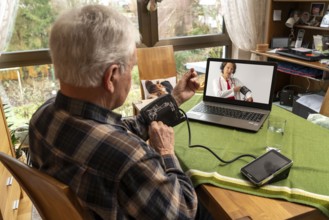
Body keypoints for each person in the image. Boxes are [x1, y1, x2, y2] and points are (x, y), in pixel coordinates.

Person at [28, 4, 213, 220]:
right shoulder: (130, 159)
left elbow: (120, 129)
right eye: (132, 67)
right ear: (111, 76)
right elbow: (184, 212)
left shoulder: (42, 117)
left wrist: (176, 98)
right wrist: (166, 152)